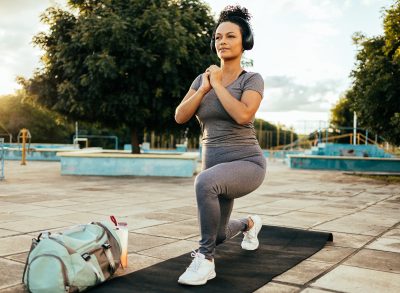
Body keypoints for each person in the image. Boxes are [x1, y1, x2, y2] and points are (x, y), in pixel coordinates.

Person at [174, 5, 266, 286]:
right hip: (214, 163)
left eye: (230, 36)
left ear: (244, 42)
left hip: (247, 163)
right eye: (217, 37)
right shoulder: (202, 80)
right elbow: (180, 116)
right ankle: (250, 223)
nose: (222, 42)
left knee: (204, 183)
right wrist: (204, 87)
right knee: (221, 234)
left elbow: (242, 115)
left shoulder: (251, 79)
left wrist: (218, 83)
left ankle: (205, 260)